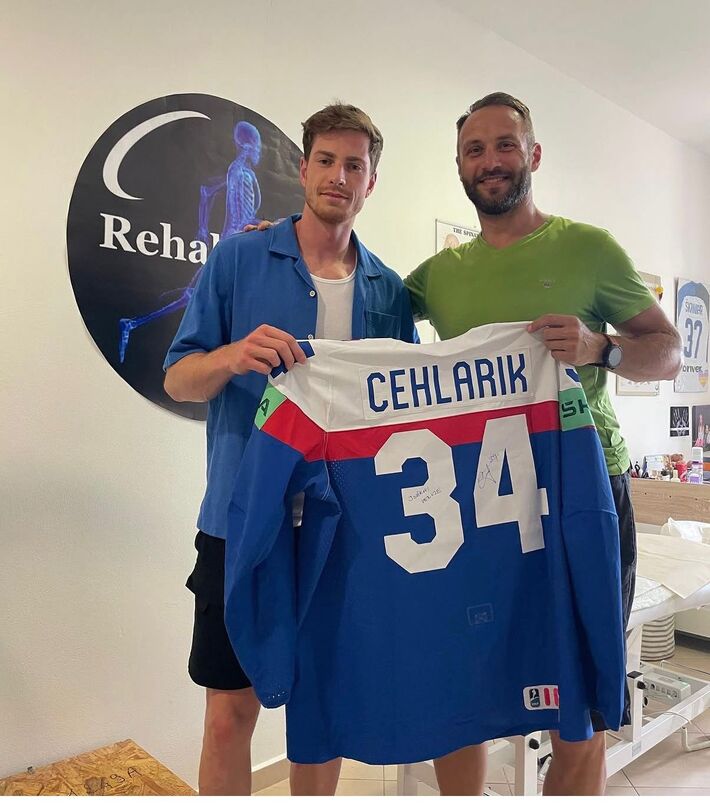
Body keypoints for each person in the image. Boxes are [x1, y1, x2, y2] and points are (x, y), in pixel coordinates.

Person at [404, 91, 682, 795]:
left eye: (505, 145)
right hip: (480, 496)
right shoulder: (439, 276)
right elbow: (350, 294)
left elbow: (670, 352)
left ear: (533, 154)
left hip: (583, 490)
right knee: (465, 685)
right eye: (474, 150)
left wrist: (601, 348)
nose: (490, 161)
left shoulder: (588, 248)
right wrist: (294, 238)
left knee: (578, 701)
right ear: (460, 166)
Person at [163, 102, 418, 796]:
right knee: (228, 717)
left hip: (345, 531)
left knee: (322, 713)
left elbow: (403, 412)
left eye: (355, 165)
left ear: (371, 181)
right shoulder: (238, 258)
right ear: (303, 169)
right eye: (327, 161)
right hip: (242, 524)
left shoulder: (389, 292)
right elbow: (178, 378)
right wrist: (232, 355)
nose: (339, 176)